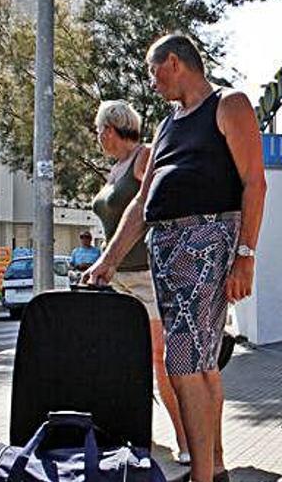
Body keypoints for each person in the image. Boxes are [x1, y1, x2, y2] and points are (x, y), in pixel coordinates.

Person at [83, 34, 266, 482]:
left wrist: (245, 255)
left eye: (152, 70)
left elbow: (255, 183)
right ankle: (211, 469)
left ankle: (203, 473)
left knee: (181, 363)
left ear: (174, 62)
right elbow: (141, 203)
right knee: (198, 364)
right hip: (167, 251)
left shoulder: (229, 104)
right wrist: (108, 260)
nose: (151, 81)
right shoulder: (167, 125)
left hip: (205, 242)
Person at [90, 100, 190, 463]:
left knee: (160, 361)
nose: (98, 136)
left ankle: (186, 441)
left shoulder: (143, 157)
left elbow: (162, 201)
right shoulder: (114, 170)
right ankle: (131, 432)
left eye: (100, 129)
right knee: (126, 361)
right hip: (116, 280)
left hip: (147, 277)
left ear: (112, 128)